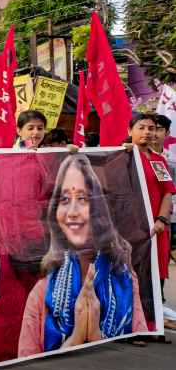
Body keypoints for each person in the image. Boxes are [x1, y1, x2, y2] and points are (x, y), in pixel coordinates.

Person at [18, 154, 148, 357]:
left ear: (98, 209)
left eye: (82, 198)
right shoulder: (41, 292)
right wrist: (76, 337)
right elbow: (25, 364)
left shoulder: (126, 280)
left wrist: (96, 334)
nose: (72, 212)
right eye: (64, 199)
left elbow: (138, 359)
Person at [129, 114, 176, 299]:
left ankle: (152, 318)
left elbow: (167, 192)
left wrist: (161, 220)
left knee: (154, 275)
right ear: (129, 131)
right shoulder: (120, 156)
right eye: (142, 127)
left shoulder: (159, 161)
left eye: (152, 128)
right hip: (130, 229)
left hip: (155, 229)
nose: (148, 132)